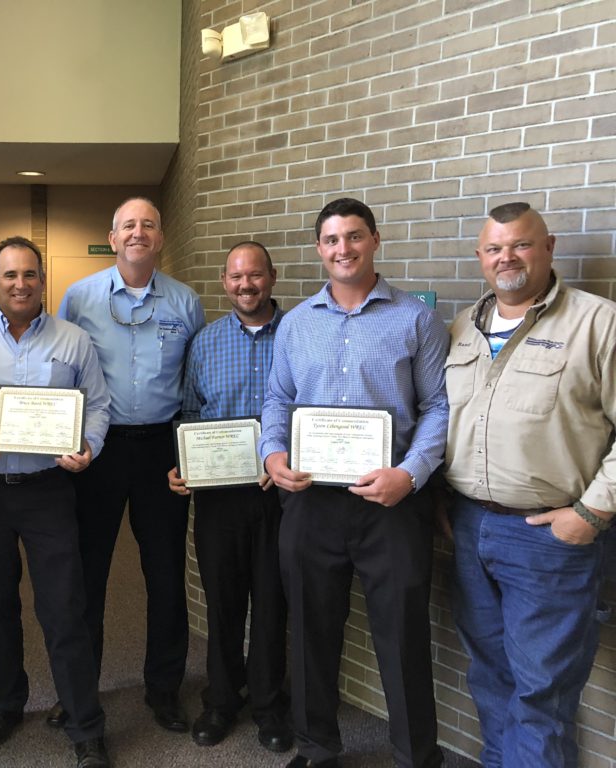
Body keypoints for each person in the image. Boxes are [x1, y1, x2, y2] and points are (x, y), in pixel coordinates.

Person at [260, 198, 448, 768]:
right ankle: (317, 746)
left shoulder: (415, 317)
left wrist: (409, 474)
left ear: (375, 240)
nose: (344, 249)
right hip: (311, 502)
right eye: (333, 239)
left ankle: (416, 754)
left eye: (355, 237)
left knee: (402, 634)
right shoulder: (295, 324)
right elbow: (278, 400)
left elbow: (438, 406)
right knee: (311, 630)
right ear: (320, 249)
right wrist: (271, 454)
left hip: (390, 502)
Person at [443, 202, 615, 768]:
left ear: (549, 246)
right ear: (480, 258)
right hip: (469, 529)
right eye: (494, 249)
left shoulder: (597, 322)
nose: (506, 258)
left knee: (542, 692)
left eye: (520, 245)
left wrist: (590, 513)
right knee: (489, 676)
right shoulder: (462, 326)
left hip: (548, 536)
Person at [0, 236, 111, 768]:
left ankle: (85, 724)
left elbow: (99, 408)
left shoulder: (74, 340)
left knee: (65, 609)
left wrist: (89, 445)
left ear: (44, 281)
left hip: (49, 492)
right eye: (10, 275)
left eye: (30, 275)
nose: (21, 284)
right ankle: (7, 704)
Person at [57, 197, 204, 731]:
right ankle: (79, 689)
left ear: (160, 237)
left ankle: (163, 688)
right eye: (128, 225)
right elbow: (62, 373)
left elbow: (195, 384)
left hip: (161, 452)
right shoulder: (79, 298)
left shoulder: (186, 303)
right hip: (99, 450)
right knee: (86, 573)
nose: (138, 232)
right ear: (112, 236)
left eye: (148, 225)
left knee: (165, 574)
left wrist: (190, 450)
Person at [167, 241, 292, 753]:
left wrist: (281, 456)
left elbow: (313, 408)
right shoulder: (206, 342)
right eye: (237, 277)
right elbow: (189, 412)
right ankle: (221, 699)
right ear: (225, 281)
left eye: (256, 276)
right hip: (219, 497)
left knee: (271, 601)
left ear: (272, 277)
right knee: (221, 601)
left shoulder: (300, 333)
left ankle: (267, 703)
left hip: (280, 494)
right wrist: (186, 461)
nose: (246, 285)